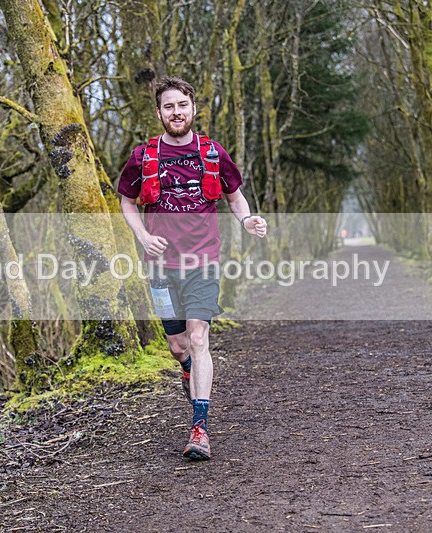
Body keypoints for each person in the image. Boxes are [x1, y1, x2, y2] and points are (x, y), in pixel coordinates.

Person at [118, 76, 267, 460]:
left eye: (182, 105)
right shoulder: (143, 156)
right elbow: (127, 202)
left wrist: (247, 220)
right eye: (168, 106)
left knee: (199, 338)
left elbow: (235, 198)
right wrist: (142, 237)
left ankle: (199, 428)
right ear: (159, 113)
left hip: (203, 261)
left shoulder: (212, 153)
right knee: (177, 344)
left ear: (193, 109)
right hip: (160, 267)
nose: (176, 112)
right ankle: (186, 370)